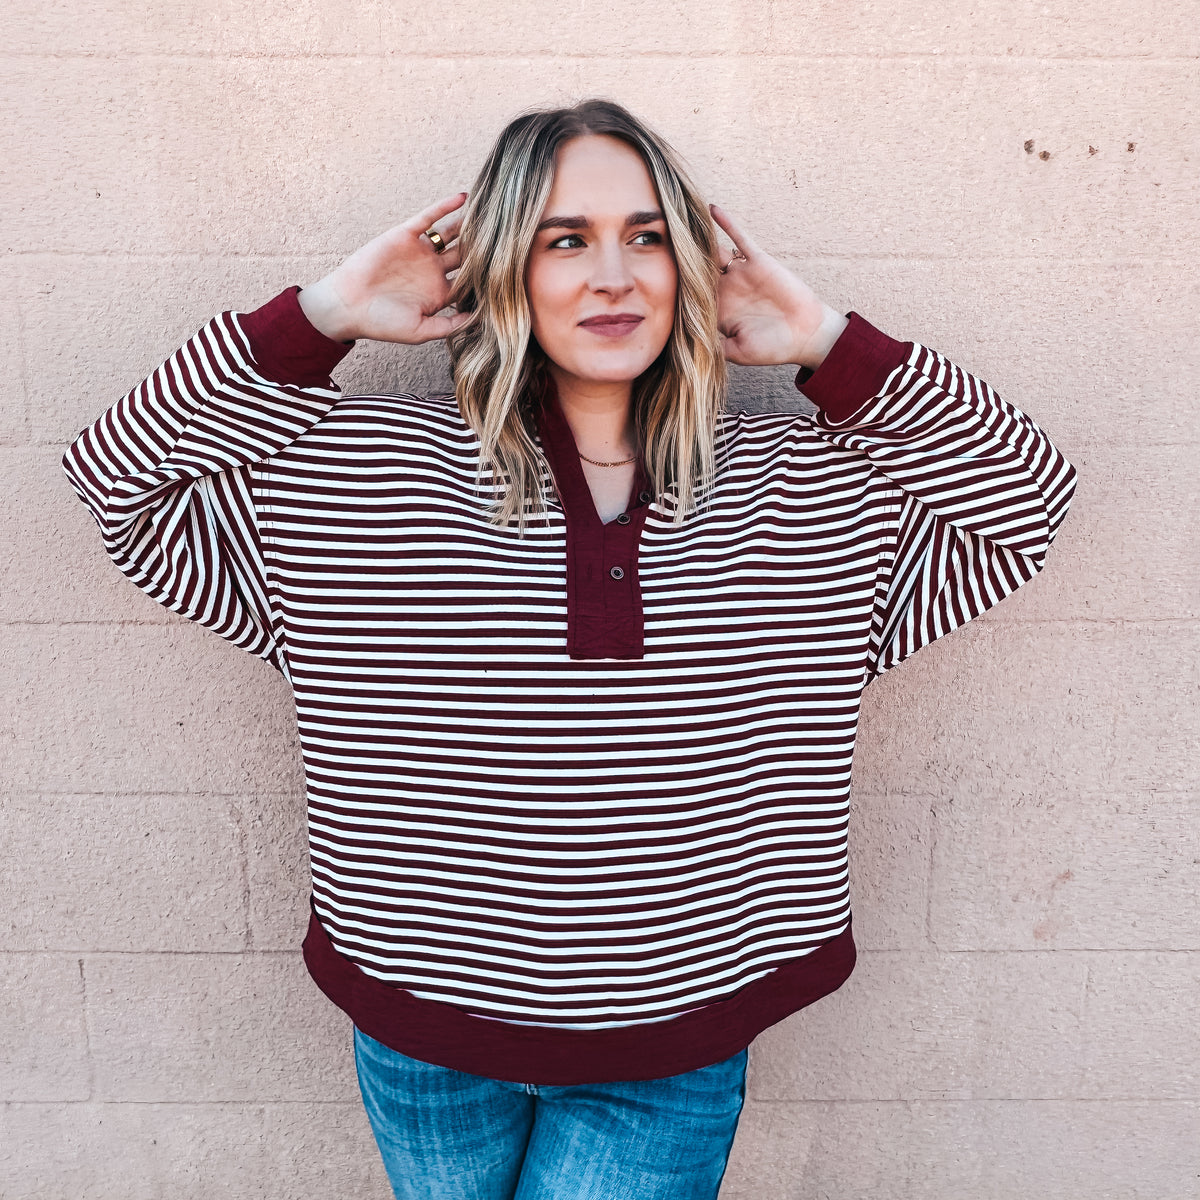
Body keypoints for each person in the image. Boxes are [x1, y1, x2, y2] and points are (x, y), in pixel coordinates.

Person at [61, 98, 1076, 1199]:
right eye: (563, 239)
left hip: (673, 1042)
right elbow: (117, 482)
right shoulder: (341, 471)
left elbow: (1031, 500)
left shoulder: (818, 486)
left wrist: (832, 345)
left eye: (648, 237)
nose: (612, 276)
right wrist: (321, 316)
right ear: (499, 267)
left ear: (692, 267)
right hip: (424, 1030)